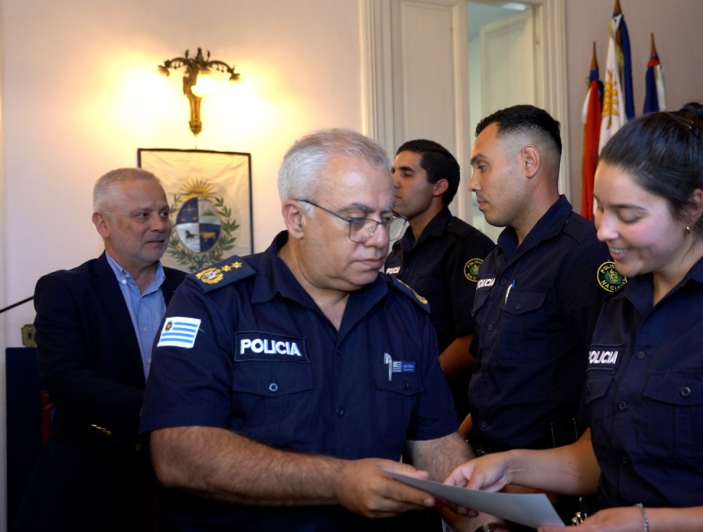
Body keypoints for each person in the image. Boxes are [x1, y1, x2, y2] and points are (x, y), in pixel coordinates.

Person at [444, 104, 703, 531]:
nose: (604, 230)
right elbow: (603, 455)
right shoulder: (621, 307)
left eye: (628, 215)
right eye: (600, 209)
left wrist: (648, 525)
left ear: (690, 208)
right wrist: (510, 466)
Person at [140, 129, 499, 531]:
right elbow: (179, 453)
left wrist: (479, 517)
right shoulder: (213, 303)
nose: (379, 239)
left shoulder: (405, 312)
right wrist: (338, 481)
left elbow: (435, 442)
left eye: (386, 220)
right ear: (297, 218)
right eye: (357, 219)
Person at [14, 168, 187, 532]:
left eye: (164, 213)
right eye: (143, 215)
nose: (160, 225)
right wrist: (158, 412)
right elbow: (65, 378)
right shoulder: (66, 289)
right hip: (91, 479)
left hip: (181, 480)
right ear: (102, 224)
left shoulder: (191, 291)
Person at [464, 105, 619, 454]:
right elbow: (489, 374)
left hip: (549, 482)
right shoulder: (494, 259)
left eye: (482, 167)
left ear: (529, 162)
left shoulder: (585, 253)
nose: (473, 184)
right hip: (488, 468)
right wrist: (458, 443)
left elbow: (613, 387)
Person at [385, 139, 494, 422]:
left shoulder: (467, 246)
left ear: (438, 187)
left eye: (406, 174)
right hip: (401, 403)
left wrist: (416, 380)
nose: (393, 182)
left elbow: (473, 340)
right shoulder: (397, 251)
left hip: (448, 409)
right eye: (393, 172)